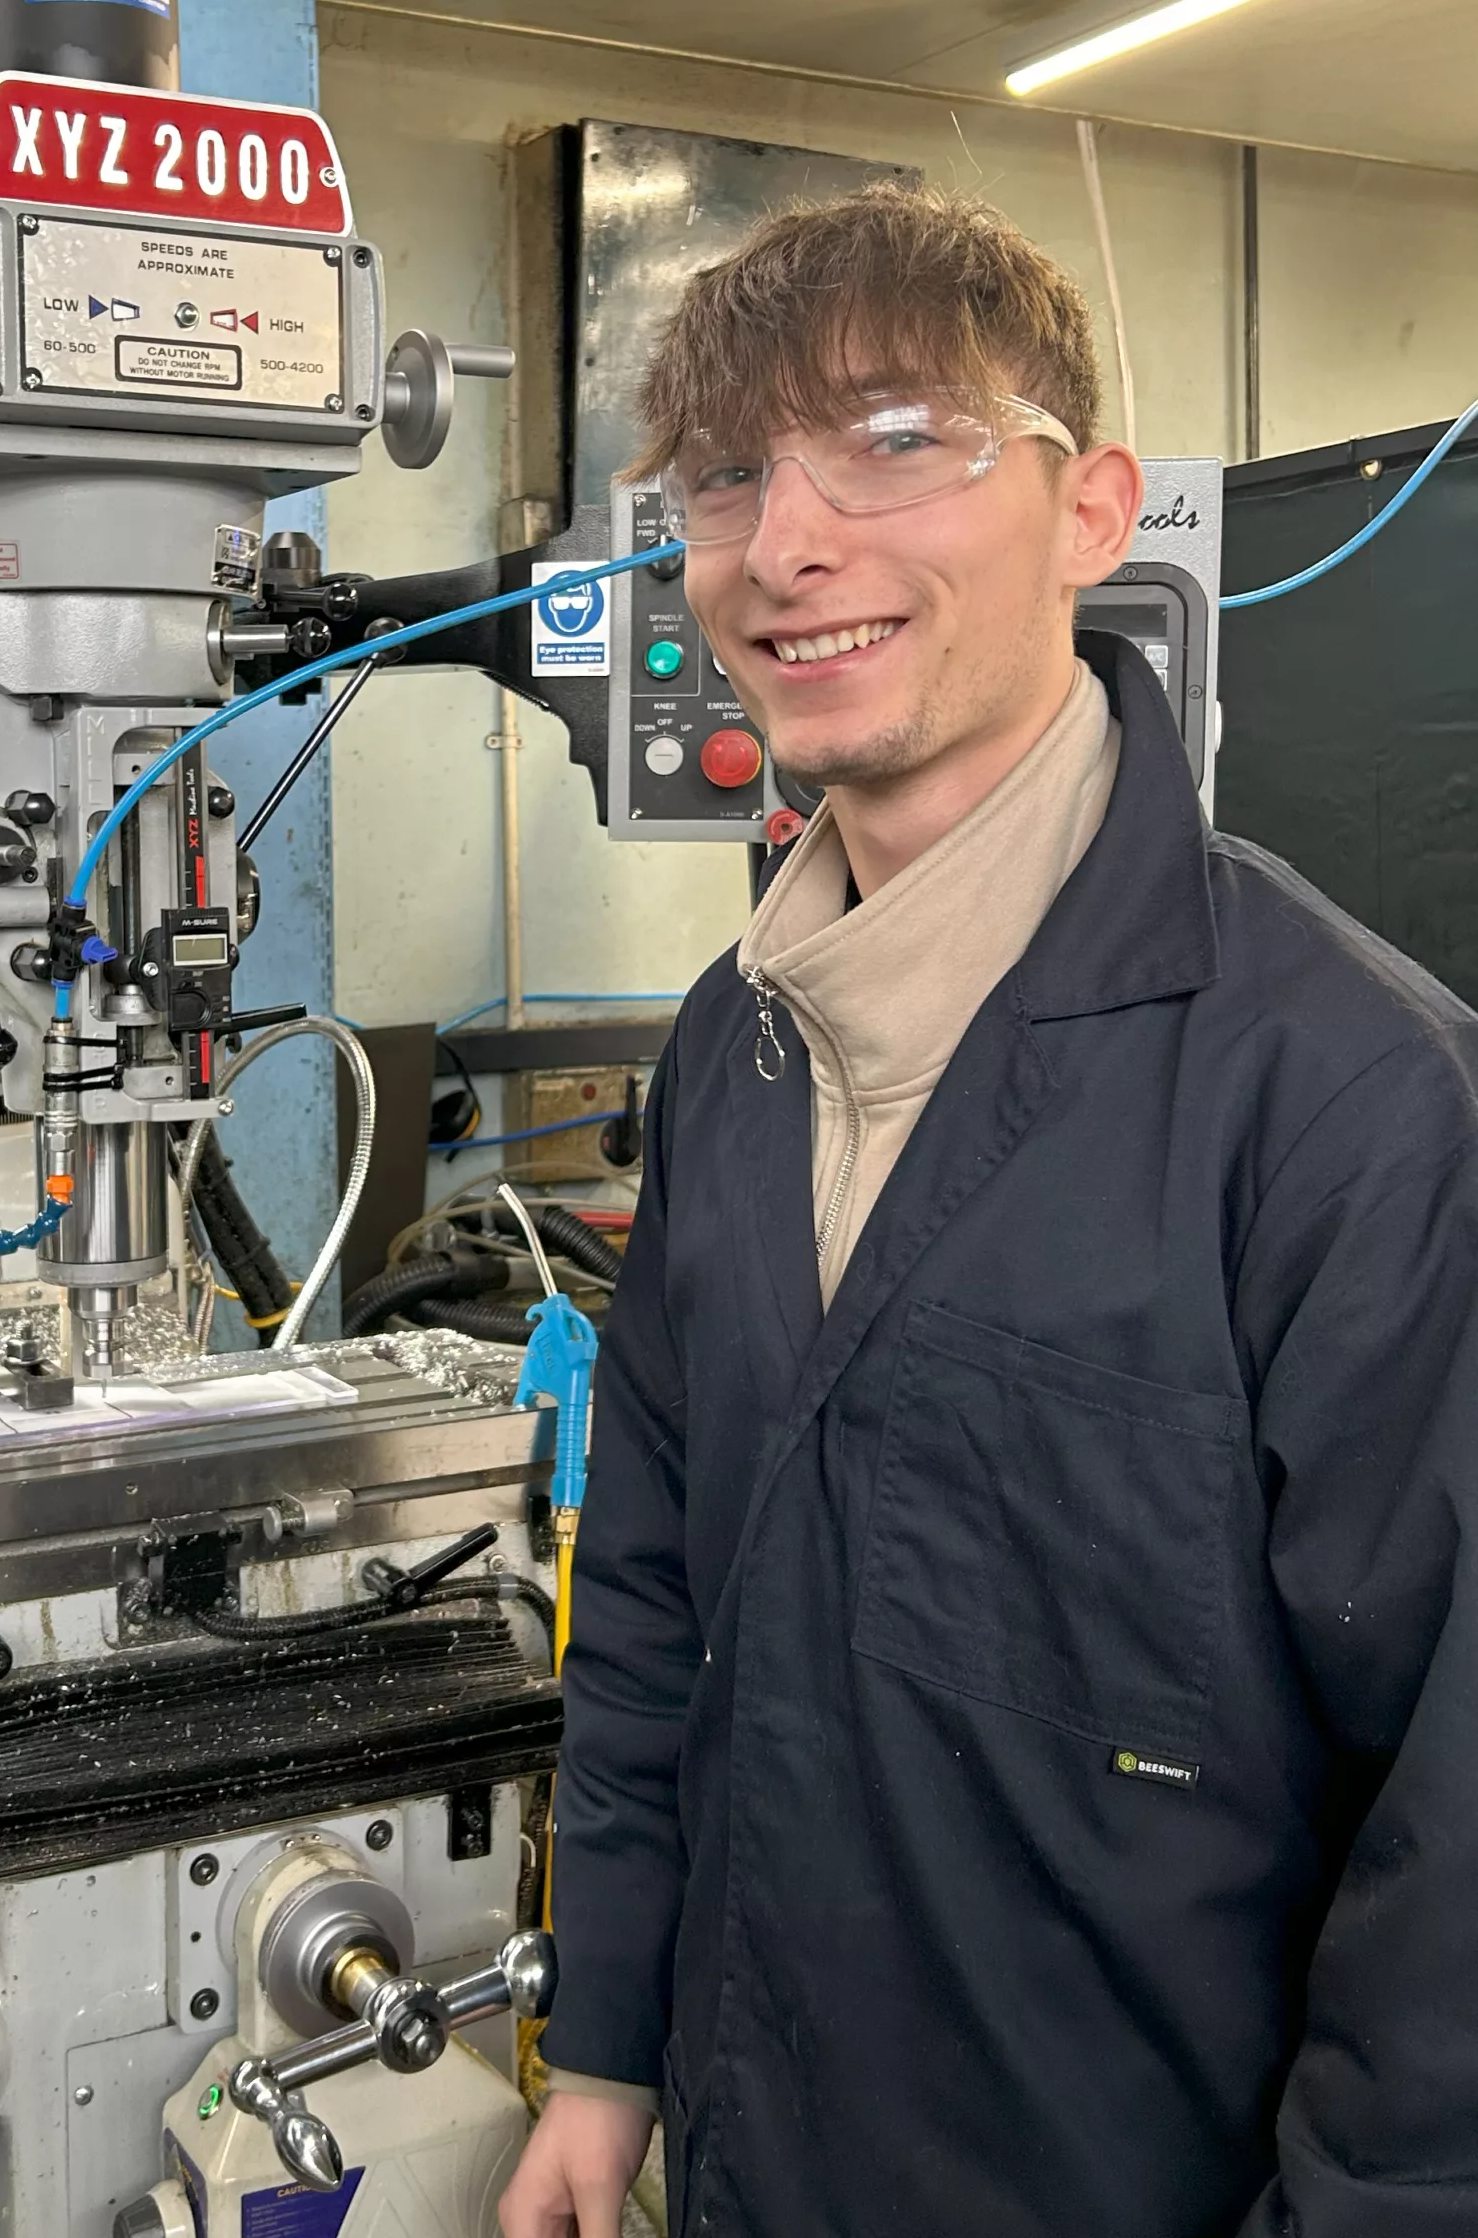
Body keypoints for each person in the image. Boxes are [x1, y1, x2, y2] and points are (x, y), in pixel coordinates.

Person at [497, 182, 1478, 2238]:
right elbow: (655, 1592)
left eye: (896, 439)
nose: (788, 542)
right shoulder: (736, 1048)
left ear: (1093, 507)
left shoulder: (1351, 1104)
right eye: (729, 474)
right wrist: (606, 2052)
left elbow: (1457, 1861)